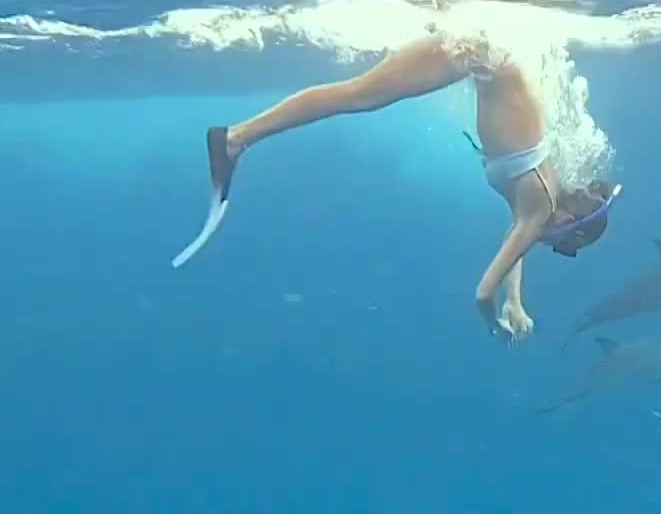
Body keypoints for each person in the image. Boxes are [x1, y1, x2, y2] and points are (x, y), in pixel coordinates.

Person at [172, 33, 620, 342]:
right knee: (357, 95)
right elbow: (483, 291)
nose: (551, 243)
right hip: (479, 52)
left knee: (360, 95)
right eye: (562, 242)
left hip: (485, 52)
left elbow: (517, 242)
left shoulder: (542, 198)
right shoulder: (539, 205)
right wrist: (495, 323)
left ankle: (236, 139)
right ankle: (233, 139)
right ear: (570, 225)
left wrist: (516, 301)